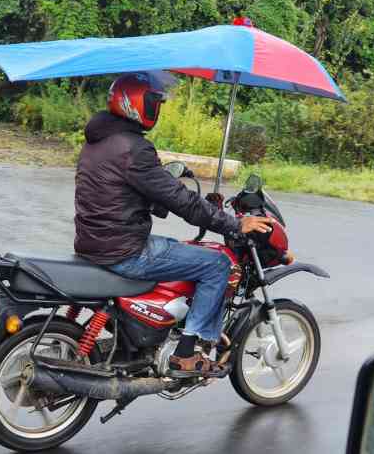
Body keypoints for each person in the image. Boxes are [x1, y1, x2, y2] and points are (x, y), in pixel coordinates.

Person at [74, 73, 274, 377]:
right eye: (154, 102)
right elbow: (183, 201)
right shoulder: (133, 148)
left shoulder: (97, 142)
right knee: (217, 264)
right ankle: (187, 352)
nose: (158, 108)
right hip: (125, 251)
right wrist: (234, 224)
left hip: (95, 242)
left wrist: (164, 198)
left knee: (179, 250)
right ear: (136, 104)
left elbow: (121, 192)